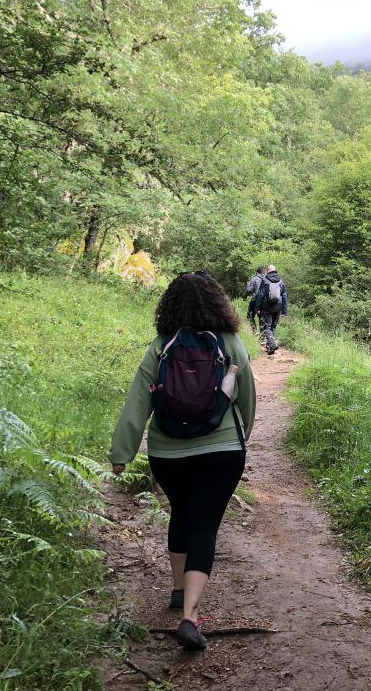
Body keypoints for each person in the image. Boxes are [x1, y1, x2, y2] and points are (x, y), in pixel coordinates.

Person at [108, 271, 256, 651]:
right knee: (204, 527)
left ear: (169, 306)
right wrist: (241, 435)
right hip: (222, 451)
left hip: (167, 453)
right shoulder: (230, 342)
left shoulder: (161, 346)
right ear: (218, 304)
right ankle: (190, 616)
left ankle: (178, 589)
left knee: (180, 513)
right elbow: (247, 398)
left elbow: (137, 403)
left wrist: (122, 453)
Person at [252, 264, 287, 355]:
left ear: (268, 271)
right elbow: (284, 297)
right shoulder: (281, 282)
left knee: (266, 327)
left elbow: (260, 295)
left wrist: (257, 308)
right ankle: (271, 347)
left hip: (266, 308)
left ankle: (272, 344)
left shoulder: (265, 280)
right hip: (278, 308)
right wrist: (284, 311)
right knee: (273, 327)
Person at [244, 266, 265, 333]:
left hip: (255, 300)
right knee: (261, 317)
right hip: (264, 302)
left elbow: (249, 290)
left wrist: (245, 296)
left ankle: (255, 331)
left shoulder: (255, 279)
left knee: (250, 315)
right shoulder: (267, 279)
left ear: (257, 272)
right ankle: (262, 334)